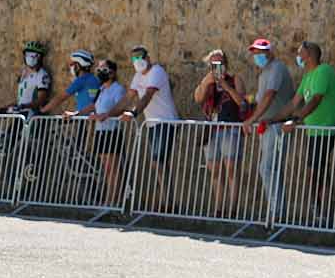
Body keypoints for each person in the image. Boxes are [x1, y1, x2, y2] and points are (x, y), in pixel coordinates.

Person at [279, 42, 335, 225]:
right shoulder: (307, 76)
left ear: (309, 55)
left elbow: (315, 100)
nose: (298, 57)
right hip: (313, 131)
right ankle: (319, 209)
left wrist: (296, 120)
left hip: (325, 129)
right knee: (316, 170)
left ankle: (321, 210)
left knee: (316, 170)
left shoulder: (324, 71)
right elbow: (294, 103)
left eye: (300, 53)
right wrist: (272, 118)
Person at [242, 38, 295, 222]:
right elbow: (260, 99)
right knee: (271, 169)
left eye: (261, 52)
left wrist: (251, 120)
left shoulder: (277, 68)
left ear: (270, 52)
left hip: (276, 126)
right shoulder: (264, 73)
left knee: (267, 168)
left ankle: (276, 213)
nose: (257, 56)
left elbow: (269, 96)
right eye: (255, 53)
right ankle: (276, 212)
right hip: (268, 127)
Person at [121, 45, 179, 203]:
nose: (138, 60)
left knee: (157, 161)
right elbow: (128, 98)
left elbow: (147, 96)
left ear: (148, 57)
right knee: (159, 162)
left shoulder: (157, 72)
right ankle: (166, 200)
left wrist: (133, 113)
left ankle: (167, 201)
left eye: (140, 56)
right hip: (152, 124)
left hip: (166, 121)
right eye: (134, 58)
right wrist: (107, 114)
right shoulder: (137, 76)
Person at [193, 48, 245, 215]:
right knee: (214, 170)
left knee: (231, 169)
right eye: (213, 64)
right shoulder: (207, 81)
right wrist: (206, 84)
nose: (216, 67)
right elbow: (198, 99)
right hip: (212, 131)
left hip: (230, 129)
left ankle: (232, 210)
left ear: (226, 64)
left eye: (219, 63)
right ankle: (218, 209)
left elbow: (242, 103)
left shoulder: (235, 79)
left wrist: (226, 87)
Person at [73, 59, 127, 207]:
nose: (100, 70)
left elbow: (120, 107)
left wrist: (105, 115)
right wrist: (76, 113)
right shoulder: (101, 88)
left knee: (113, 168)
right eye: (99, 67)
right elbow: (93, 106)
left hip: (111, 131)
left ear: (113, 72)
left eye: (104, 68)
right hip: (100, 132)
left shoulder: (118, 89)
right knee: (106, 168)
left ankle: (113, 201)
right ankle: (109, 199)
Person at [43, 50, 100, 116]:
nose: (70, 66)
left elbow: (61, 98)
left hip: (85, 120)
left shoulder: (81, 80)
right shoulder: (94, 79)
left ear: (78, 66)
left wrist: (43, 110)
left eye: (72, 64)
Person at [2, 40, 51, 114]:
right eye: (28, 54)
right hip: (20, 113)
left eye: (35, 55)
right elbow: (22, 99)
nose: (31, 57)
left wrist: (24, 106)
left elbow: (41, 100)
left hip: (32, 115)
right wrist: (5, 108)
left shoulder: (42, 75)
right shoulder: (23, 73)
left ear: (40, 58)